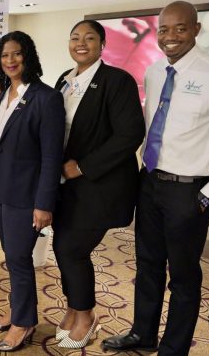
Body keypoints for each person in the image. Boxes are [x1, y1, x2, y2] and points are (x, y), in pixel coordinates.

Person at [102, 1, 209, 355]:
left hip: (190, 190)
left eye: (180, 29)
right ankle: (143, 333)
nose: (170, 36)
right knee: (148, 264)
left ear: (196, 30)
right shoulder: (154, 72)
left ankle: (174, 348)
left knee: (183, 276)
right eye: (164, 29)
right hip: (151, 181)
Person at [52, 20, 145, 348]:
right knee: (62, 246)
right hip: (67, 185)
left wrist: (82, 167)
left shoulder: (117, 81)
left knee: (72, 249)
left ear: (102, 44)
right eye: (75, 37)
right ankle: (74, 308)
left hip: (99, 185)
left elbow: (130, 134)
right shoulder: (64, 80)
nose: (81, 43)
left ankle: (87, 315)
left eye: (89, 38)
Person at [0, 31, 64, 352]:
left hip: (27, 196)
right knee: (12, 255)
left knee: (18, 257)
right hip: (1, 190)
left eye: (16, 53)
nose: (10, 60)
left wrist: (44, 204)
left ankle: (25, 321)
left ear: (28, 56)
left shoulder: (46, 98)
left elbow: (51, 157)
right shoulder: (4, 93)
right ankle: (18, 310)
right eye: (4, 55)